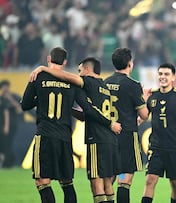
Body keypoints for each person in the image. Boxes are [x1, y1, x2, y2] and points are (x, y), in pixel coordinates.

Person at [21, 47, 120, 203]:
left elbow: (25, 105)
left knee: (42, 181)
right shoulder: (72, 83)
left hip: (45, 135)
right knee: (67, 182)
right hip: (65, 138)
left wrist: (40, 98)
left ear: (48, 59)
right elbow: (87, 109)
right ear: (65, 62)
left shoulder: (38, 76)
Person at [104, 48, 149, 203]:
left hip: (108, 138)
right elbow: (144, 115)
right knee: (124, 179)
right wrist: (145, 98)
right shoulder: (132, 85)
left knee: (109, 178)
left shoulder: (105, 83)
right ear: (130, 64)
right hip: (127, 139)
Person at [141, 63, 176, 203]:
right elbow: (143, 117)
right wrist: (145, 99)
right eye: (160, 74)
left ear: (173, 78)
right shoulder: (153, 96)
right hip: (156, 147)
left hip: (174, 147)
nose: (163, 77)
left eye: (166, 74)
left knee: (175, 183)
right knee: (150, 180)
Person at [0, 80, 22, 168]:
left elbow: (19, 108)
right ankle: (5, 162)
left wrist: (9, 98)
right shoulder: (1, 98)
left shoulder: (14, 96)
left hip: (12, 124)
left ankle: (9, 162)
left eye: (6, 87)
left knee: (9, 143)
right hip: (2, 124)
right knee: (4, 143)